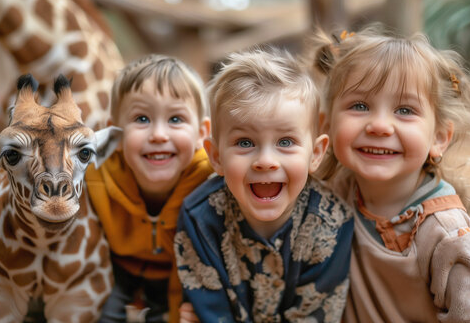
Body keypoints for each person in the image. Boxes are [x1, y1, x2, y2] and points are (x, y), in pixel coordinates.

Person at [311, 26, 470, 322]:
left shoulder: (444, 232)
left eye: (404, 110)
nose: (380, 125)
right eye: (359, 106)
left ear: (439, 137)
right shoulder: (334, 192)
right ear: (327, 125)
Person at [174, 47, 354, 322]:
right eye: (245, 143)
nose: (266, 161)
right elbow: (212, 314)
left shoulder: (331, 223)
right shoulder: (199, 218)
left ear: (315, 153)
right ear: (216, 156)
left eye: (285, 142)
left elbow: (314, 316)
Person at [85, 54, 213, 323]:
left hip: (176, 273)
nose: (158, 134)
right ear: (115, 135)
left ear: (202, 133)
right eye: (142, 119)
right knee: (97, 313)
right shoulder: (95, 175)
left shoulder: (209, 180)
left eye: (176, 119)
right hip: (115, 268)